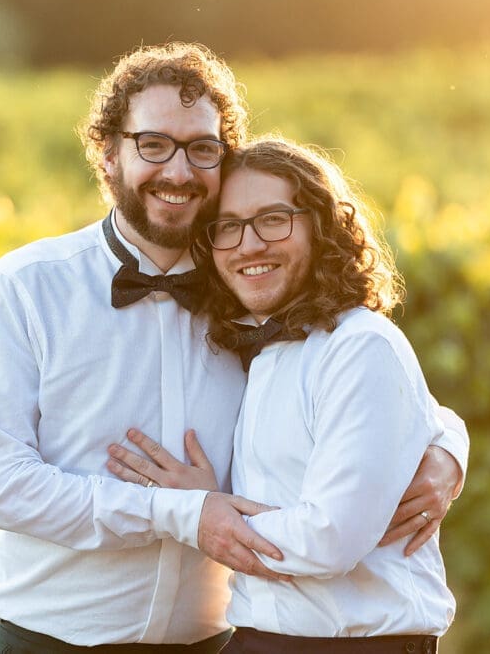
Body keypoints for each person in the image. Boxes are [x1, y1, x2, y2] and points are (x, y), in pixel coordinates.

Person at [0, 42, 467, 653]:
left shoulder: (251, 287)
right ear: (108, 154)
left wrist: (446, 450)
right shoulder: (28, 285)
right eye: (153, 145)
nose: (177, 172)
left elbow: (375, 389)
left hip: (212, 643)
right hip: (46, 641)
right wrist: (182, 512)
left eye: (201, 149)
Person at [111, 137, 455, 653]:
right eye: (227, 227)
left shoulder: (360, 346)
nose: (249, 244)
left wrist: (209, 514)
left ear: (320, 227)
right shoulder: (251, 349)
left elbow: (330, 537)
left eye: (273, 219)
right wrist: (452, 446)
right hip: (260, 639)